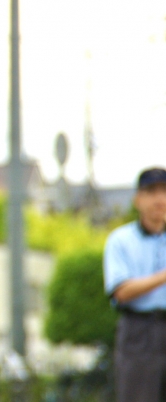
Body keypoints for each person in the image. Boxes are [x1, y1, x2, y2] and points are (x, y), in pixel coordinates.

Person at [103, 167, 166, 402]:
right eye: (151, 192)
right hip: (139, 331)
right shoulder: (121, 240)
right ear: (138, 199)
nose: (159, 199)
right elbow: (121, 291)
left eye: (164, 191)